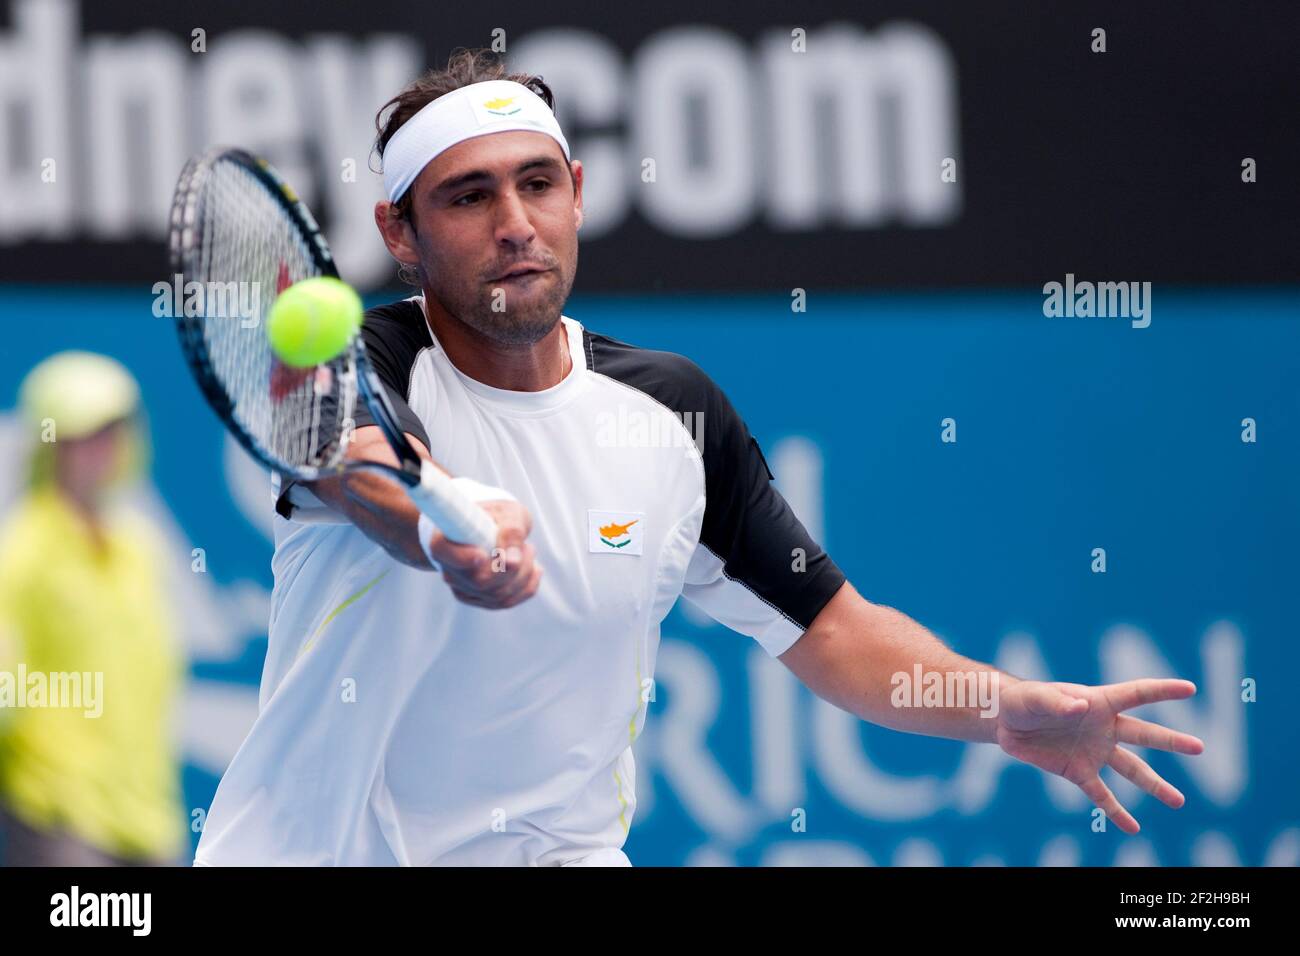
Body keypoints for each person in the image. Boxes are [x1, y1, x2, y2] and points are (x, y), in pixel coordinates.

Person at [195, 49, 1204, 866]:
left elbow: (835, 632)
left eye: (536, 183)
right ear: (399, 234)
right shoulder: (360, 362)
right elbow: (356, 465)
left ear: (577, 194)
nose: (514, 225)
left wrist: (997, 708)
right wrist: (437, 521)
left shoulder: (671, 410)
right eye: (467, 197)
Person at [0, 352, 187, 866]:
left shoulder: (139, 547)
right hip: (58, 817)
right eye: (80, 436)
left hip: (149, 821)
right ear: (48, 446)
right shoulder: (23, 549)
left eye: (111, 431)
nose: (99, 449)